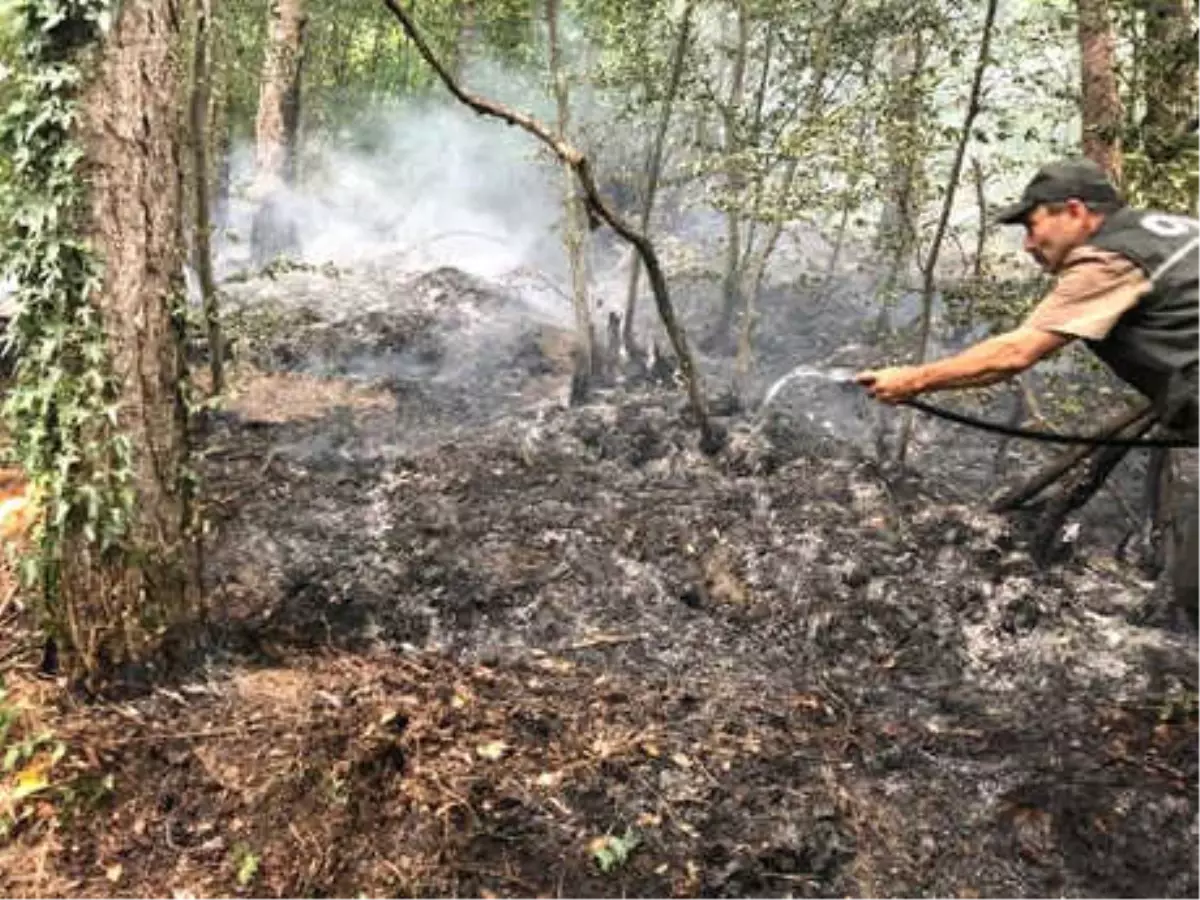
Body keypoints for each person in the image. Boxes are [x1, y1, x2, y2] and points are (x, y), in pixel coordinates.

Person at [854, 158, 1200, 625]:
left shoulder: (1108, 258)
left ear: (1075, 212)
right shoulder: (1170, 232)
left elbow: (1016, 352)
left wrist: (912, 379)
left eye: (1034, 225)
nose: (1029, 243)